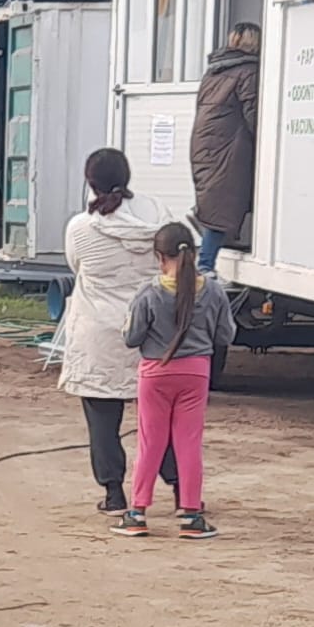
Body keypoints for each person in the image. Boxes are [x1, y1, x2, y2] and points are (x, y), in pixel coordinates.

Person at [56, 149, 180, 514]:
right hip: (152, 333)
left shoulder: (81, 227)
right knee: (161, 418)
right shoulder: (158, 215)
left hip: (98, 334)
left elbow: (76, 266)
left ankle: (113, 493)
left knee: (102, 419)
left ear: (88, 181)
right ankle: (178, 487)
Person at [115, 224, 236, 540]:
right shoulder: (213, 291)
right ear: (194, 254)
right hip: (196, 372)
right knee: (189, 443)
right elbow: (226, 334)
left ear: (159, 257)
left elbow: (131, 337)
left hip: (156, 372)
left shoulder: (149, 293)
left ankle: (137, 512)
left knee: (150, 443)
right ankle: (191, 515)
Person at [190, 22, 262, 275]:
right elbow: (253, 112)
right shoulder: (248, 71)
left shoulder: (214, 71)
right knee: (223, 205)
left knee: (218, 201)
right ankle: (205, 265)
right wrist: (266, 142)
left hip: (205, 144)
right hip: (228, 146)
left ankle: (205, 227)